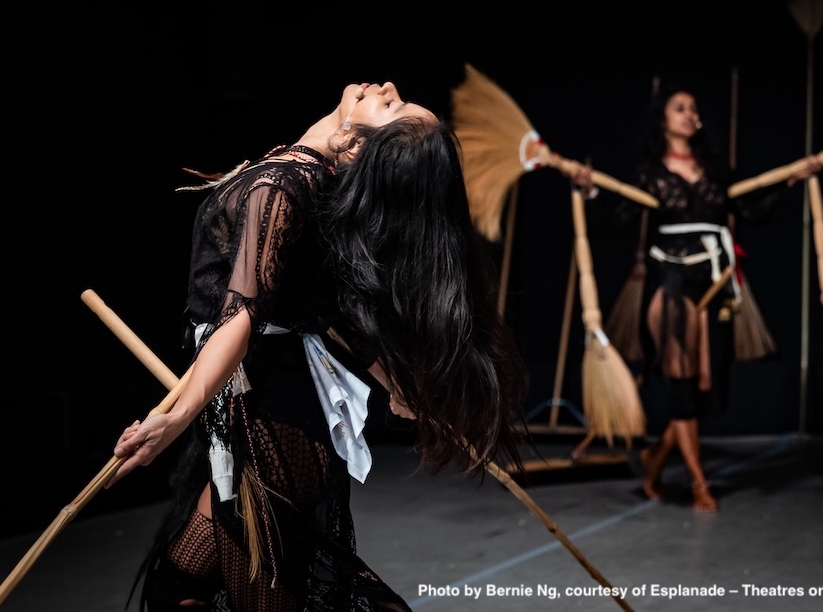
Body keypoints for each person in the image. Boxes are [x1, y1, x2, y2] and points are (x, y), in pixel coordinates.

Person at [106, 81, 529, 611]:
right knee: (179, 585)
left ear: (355, 144)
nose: (389, 87)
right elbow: (323, 307)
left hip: (270, 421)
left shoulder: (285, 185)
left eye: (392, 105)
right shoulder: (310, 177)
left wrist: (175, 418)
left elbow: (241, 316)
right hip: (266, 413)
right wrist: (395, 383)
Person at [574, 84, 820, 513]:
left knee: (704, 389)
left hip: (713, 283)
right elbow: (615, 224)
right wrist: (590, 191)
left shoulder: (717, 170)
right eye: (679, 108)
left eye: (693, 109)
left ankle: (655, 457)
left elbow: (752, 212)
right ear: (663, 120)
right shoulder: (649, 173)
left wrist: (792, 181)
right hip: (669, 280)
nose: (689, 114)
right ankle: (699, 484)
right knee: (682, 382)